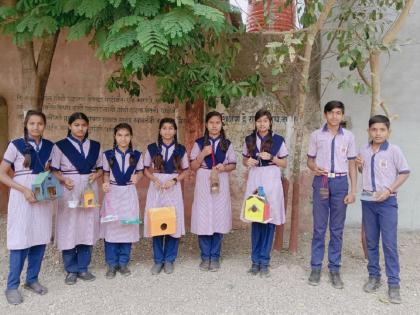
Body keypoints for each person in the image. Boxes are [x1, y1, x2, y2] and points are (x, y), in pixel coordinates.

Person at [0, 110, 54, 305]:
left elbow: (49, 171)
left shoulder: (50, 146)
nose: (36, 127)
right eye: (32, 123)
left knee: (40, 237)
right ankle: (12, 286)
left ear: (44, 126)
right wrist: (23, 190)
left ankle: (32, 279)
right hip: (21, 198)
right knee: (20, 240)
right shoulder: (16, 145)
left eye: (40, 123)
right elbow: (2, 174)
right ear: (26, 124)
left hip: (42, 198)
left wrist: (49, 190)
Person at [356, 115, 410, 304]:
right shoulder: (364, 150)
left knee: (388, 243)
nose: (378, 133)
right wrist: (360, 167)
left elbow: (405, 173)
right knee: (371, 241)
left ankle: (394, 285)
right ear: (368, 131)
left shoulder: (394, 150)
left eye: (382, 130)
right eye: (374, 130)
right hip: (368, 202)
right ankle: (374, 277)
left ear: (388, 132)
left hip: (387, 203)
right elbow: (365, 171)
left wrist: (389, 190)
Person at [307, 101, 357, 289]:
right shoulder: (316, 135)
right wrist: (314, 167)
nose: (335, 116)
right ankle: (316, 267)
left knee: (337, 228)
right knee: (319, 227)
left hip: (340, 183)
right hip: (322, 181)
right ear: (325, 115)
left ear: (342, 115)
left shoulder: (349, 137)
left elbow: (352, 164)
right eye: (331, 113)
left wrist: (353, 191)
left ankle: (335, 269)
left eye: (338, 113)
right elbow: (310, 161)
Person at [51, 112, 102, 285]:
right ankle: (71, 269)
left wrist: (96, 176)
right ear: (70, 126)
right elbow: (54, 170)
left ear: (88, 126)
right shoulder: (60, 146)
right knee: (69, 225)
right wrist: (64, 180)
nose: (80, 128)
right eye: (77, 125)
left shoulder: (95, 146)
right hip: (69, 188)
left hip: (89, 188)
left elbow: (101, 168)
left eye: (83, 125)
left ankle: (83, 267)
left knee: (87, 224)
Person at [241, 109, 288, 277]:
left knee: (269, 220)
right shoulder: (249, 139)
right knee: (256, 218)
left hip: (271, 179)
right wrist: (248, 161)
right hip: (255, 178)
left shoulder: (278, 140)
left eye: (265, 121)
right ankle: (255, 262)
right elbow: (244, 159)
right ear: (255, 123)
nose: (262, 124)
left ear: (270, 122)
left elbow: (284, 163)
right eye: (259, 121)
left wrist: (272, 158)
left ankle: (265, 261)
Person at [190, 111, 237, 271]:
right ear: (206, 125)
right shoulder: (198, 143)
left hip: (220, 179)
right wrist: (203, 153)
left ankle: (215, 256)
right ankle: (205, 256)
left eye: (217, 122)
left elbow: (233, 164)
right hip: (204, 179)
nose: (214, 125)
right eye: (211, 122)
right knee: (203, 217)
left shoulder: (227, 144)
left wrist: (224, 167)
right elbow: (193, 166)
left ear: (221, 124)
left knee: (218, 216)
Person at [144, 118, 189, 275]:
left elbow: (186, 170)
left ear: (175, 131)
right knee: (157, 221)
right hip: (156, 187)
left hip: (172, 187)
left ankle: (169, 260)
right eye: (164, 128)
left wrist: (175, 180)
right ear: (160, 130)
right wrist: (154, 179)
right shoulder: (151, 148)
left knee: (172, 222)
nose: (168, 131)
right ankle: (158, 261)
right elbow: (145, 169)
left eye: (171, 128)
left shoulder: (181, 149)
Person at [101, 123, 143, 279]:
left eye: (126, 135)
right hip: (113, 193)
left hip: (129, 192)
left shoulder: (137, 155)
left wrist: (137, 177)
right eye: (120, 135)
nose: (123, 138)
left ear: (131, 137)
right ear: (115, 137)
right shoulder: (108, 155)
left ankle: (123, 262)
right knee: (112, 228)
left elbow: (140, 172)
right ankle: (111, 264)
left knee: (127, 226)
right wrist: (105, 183)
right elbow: (105, 173)